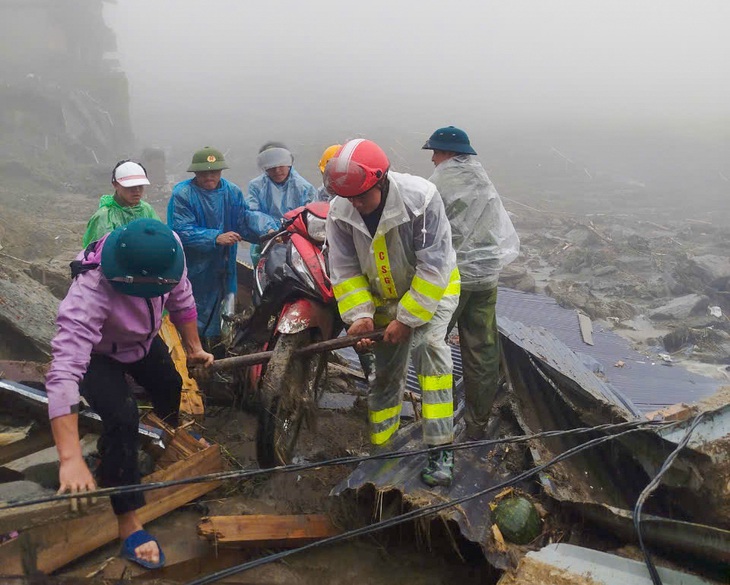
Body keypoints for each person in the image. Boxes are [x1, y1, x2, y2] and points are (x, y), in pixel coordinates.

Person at [45, 219, 214, 569]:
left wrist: (194, 348)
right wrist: (70, 459)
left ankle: (157, 446)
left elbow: (182, 300)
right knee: (122, 418)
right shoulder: (91, 288)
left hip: (143, 340)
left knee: (170, 385)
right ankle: (128, 521)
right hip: (100, 353)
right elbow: (63, 374)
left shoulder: (170, 252)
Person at [324, 139, 460, 487]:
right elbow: (345, 270)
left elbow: (433, 267)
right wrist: (361, 316)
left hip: (432, 290)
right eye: (348, 197)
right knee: (385, 373)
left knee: (430, 353)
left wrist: (407, 319)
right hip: (383, 297)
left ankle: (440, 448)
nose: (354, 204)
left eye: (361, 196)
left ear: (381, 181)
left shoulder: (421, 199)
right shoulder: (340, 211)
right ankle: (382, 447)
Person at [422, 126, 519, 439]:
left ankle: (441, 418)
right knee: (481, 350)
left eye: (435, 152)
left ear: (448, 153)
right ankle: (477, 425)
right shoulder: (482, 178)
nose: (433, 158)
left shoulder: (440, 181)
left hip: (454, 279)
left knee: (432, 344)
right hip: (486, 277)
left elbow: (427, 231)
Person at [167, 146, 257, 348]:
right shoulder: (183, 194)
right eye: (204, 172)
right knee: (190, 308)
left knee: (226, 309)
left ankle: (221, 351)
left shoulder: (232, 192)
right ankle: (191, 350)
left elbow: (245, 220)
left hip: (224, 264)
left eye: (214, 172)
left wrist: (269, 232)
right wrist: (215, 237)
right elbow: (180, 230)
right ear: (195, 173)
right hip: (194, 266)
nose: (210, 176)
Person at [246, 142, 317, 264]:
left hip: (297, 243)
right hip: (267, 240)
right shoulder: (256, 186)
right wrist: (269, 229)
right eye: (271, 166)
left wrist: (291, 232)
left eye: (281, 165)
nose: (277, 170)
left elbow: (310, 215)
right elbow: (252, 212)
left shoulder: (304, 188)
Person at [82, 160, 160, 247]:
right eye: (131, 186)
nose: (137, 190)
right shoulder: (104, 217)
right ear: (115, 184)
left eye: (140, 186)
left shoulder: (147, 209)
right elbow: (97, 253)